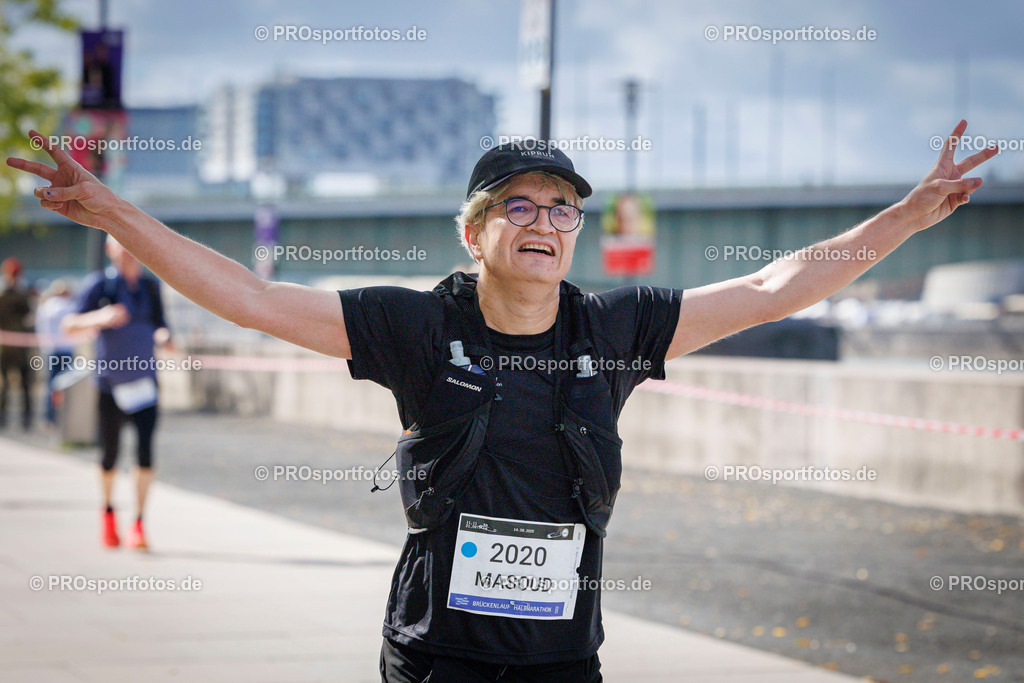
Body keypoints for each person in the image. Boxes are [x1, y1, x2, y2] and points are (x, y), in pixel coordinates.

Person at [7, 123, 997, 681]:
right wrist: (111, 212)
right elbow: (257, 298)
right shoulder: (413, 327)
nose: (544, 221)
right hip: (438, 656)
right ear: (472, 230)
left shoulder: (613, 331)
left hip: (566, 659)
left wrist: (910, 212)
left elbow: (777, 286)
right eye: (516, 204)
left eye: (561, 206)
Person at [61, 236, 171, 550]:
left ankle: (139, 522)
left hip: (145, 384)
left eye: (133, 245)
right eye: (121, 245)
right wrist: (100, 317)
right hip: (111, 384)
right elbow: (69, 325)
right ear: (111, 250)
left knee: (146, 453)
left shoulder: (150, 288)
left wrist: (165, 337)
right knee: (109, 454)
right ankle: (108, 511)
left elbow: (161, 324)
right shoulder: (100, 286)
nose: (129, 252)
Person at [35, 279, 77, 425]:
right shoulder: (70, 305)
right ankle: (63, 416)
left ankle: (49, 417)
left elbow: (39, 327)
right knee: (65, 385)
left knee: (51, 384)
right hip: (66, 349)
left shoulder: (46, 307)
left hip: (51, 349)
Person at [0, 257, 34, 430]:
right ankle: (22, 419)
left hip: (11, 347)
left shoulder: (8, 294)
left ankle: (20, 418)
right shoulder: (17, 294)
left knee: (14, 384)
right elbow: (27, 313)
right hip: (14, 346)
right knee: (18, 384)